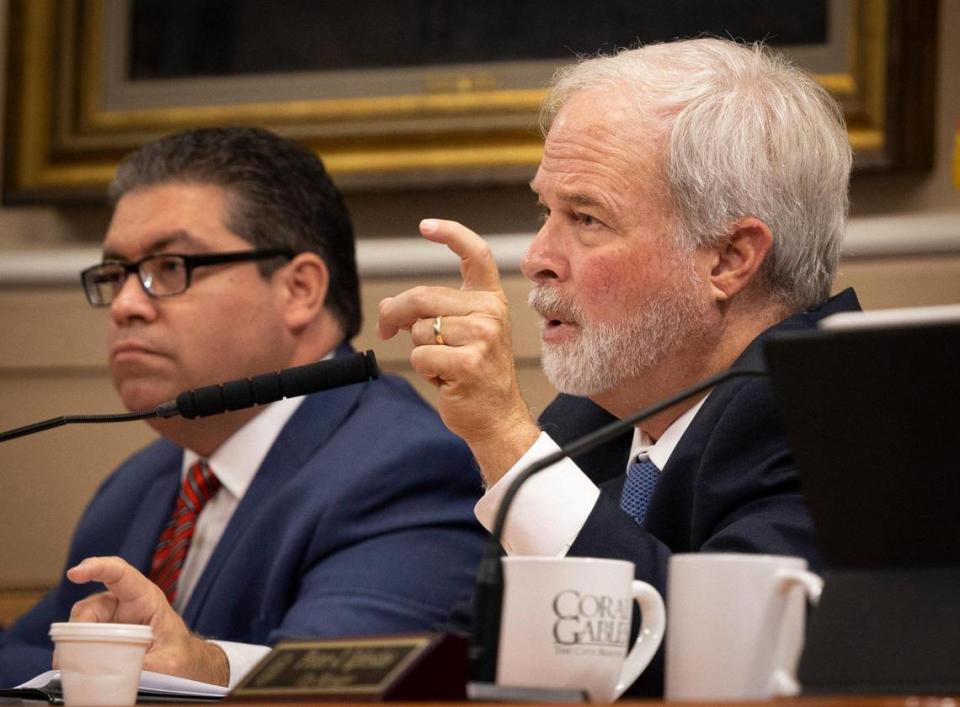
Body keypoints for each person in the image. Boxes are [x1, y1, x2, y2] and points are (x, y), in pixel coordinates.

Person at [377, 38, 860, 696]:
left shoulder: (837, 407)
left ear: (728, 259)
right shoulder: (583, 423)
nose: (538, 256)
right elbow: (476, 671)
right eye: (545, 211)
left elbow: (718, 670)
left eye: (586, 217)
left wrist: (503, 436)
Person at [0, 127, 486, 688]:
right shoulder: (138, 487)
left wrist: (200, 668)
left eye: (170, 268)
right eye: (116, 275)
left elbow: (339, 687)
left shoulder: (408, 469)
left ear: (299, 289)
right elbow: (17, 658)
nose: (127, 305)